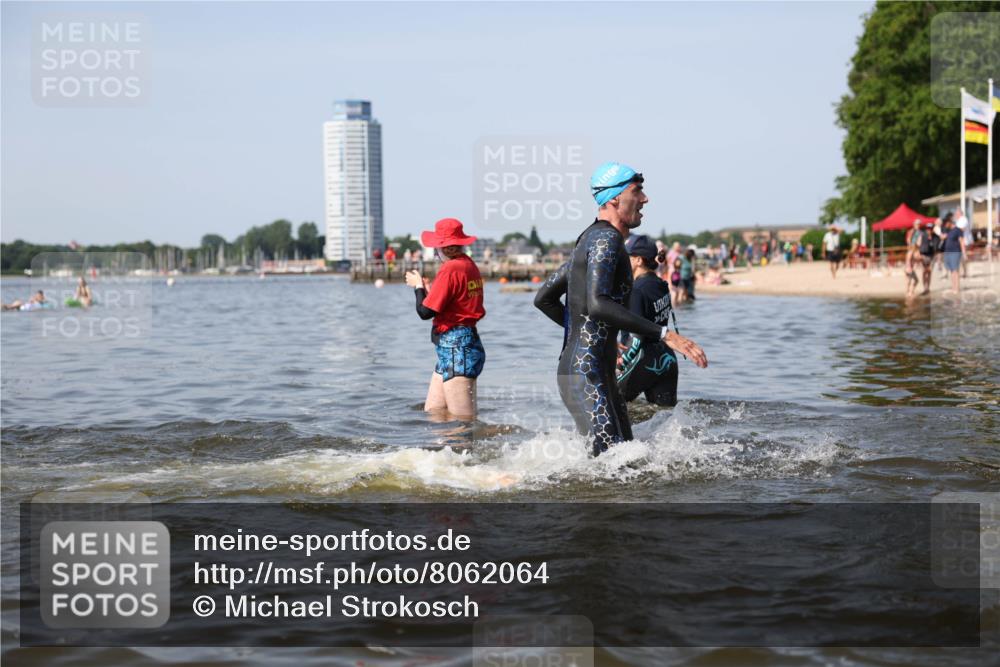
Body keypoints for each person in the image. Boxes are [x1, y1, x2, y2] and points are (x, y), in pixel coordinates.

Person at [534, 162, 707, 456]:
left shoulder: (589, 239)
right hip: (587, 373)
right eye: (637, 191)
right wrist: (665, 334)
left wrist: (592, 335)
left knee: (626, 460)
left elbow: (544, 298)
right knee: (610, 465)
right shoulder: (608, 239)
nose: (645, 199)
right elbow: (598, 304)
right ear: (615, 198)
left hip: (592, 371)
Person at [404, 218, 486, 420]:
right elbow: (456, 302)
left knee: (463, 421)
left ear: (442, 248)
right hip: (457, 346)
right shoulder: (468, 265)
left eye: (436, 248)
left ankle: (497, 440)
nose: (435, 252)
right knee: (434, 412)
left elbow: (424, 312)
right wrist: (429, 291)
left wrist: (418, 286)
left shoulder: (450, 269)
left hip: (458, 349)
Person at [617, 234, 702, 408]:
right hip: (667, 359)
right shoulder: (661, 284)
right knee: (665, 419)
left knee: (603, 408)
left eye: (626, 256)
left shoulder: (636, 290)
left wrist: (620, 365)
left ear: (639, 260)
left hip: (641, 358)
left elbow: (637, 337)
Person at [942, 213, 966, 294]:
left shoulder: (958, 230)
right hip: (947, 252)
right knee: (951, 271)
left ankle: (957, 288)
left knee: (955, 270)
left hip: (955, 252)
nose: (945, 225)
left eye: (946, 223)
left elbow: (961, 241)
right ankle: (953, 287)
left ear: (949, 222)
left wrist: (964, 253)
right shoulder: (948, 231)